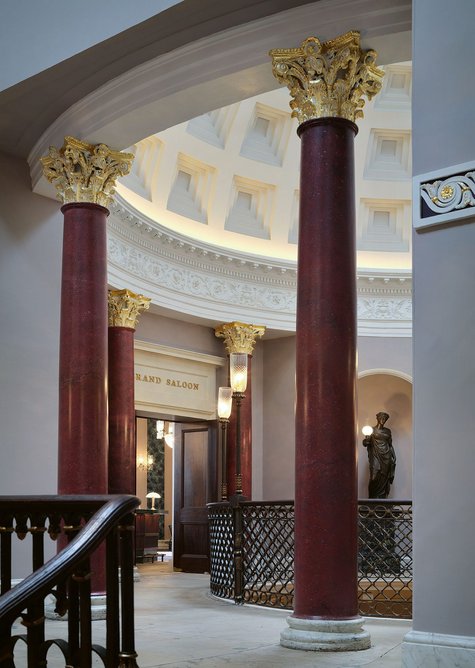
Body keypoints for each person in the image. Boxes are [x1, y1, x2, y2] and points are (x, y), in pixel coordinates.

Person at [362, 412, 396, 498]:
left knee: (384, 478)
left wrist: (394, 456)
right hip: (375, 455)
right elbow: (366, 442)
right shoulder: (371, 430)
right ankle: (372, 500)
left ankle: (382, 500)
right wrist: (365, 441)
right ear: (377, 418)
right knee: (374, 477)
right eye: (381, 418)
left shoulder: (388, 431)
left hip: (386, 456)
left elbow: (390, 445)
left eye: (385, 419)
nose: (383, 420)